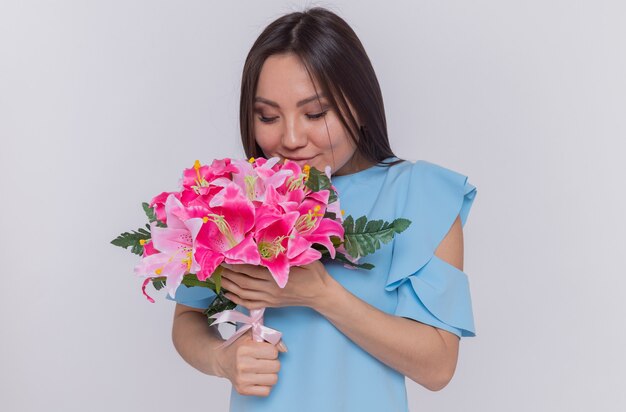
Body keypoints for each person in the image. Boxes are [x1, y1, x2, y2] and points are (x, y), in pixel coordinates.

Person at [168, 7, 477, 411]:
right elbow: (187, 318)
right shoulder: (235, 198)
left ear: (359, 104)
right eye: (268, 116)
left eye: (315, 113)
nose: (291, 138)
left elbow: (437, 367)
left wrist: (321, 294)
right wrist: (220, 359)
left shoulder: (421, 195)